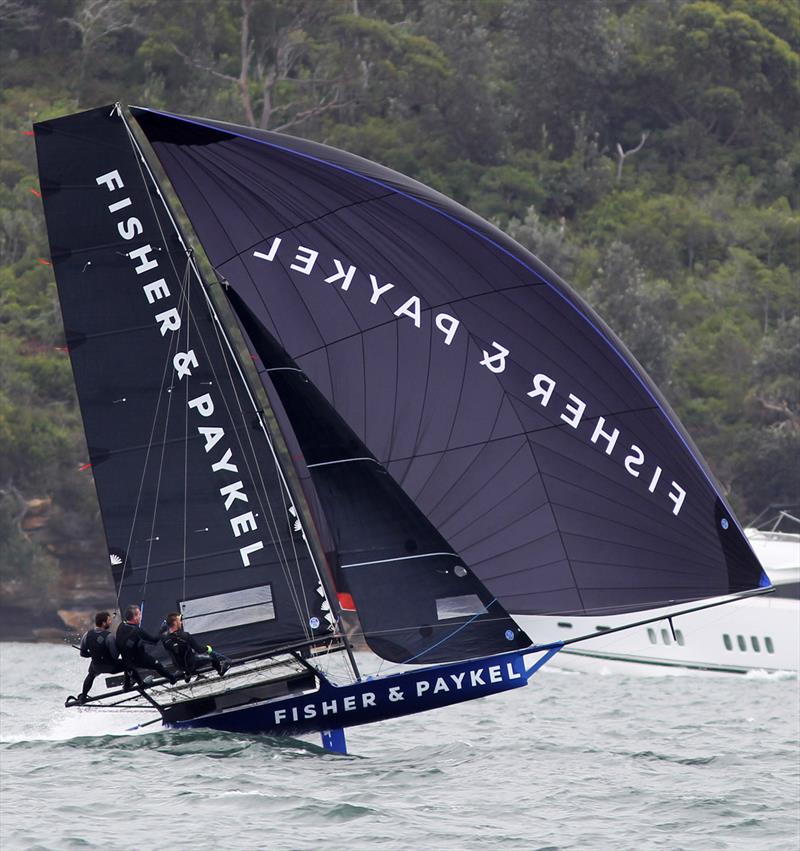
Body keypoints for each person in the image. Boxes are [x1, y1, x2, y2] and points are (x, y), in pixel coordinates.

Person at [116, 604, 178, 686]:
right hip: (139, 659)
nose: (141, 616)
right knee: (158, 665)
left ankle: (129, 682)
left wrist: (138, 641)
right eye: (139, 614)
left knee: (129, 662)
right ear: (135, 617)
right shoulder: (137, 631)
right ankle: (172, 679)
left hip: (127, 660)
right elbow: (154, 641)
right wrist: (163, 629)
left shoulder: (121, 625)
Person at [73, 611, 127, 704]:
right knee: (129, 664)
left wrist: (93, 654)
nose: (111, 622)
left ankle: (83, 696)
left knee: (91, 675)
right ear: (103, 623)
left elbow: (83, 654)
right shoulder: (109, 637)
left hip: (97, 666)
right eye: (109, 620)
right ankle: (128, 684)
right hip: (111, 667)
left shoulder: (87, 635)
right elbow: (115, 656)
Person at [161, 612, 230, 681]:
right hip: (191, 664)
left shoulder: (164, 639)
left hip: (179, 666)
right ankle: (220, 671)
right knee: (211, 654)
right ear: (175, 622)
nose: (181, 623)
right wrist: (208, 648)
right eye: (179, 621)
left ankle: (187, 674)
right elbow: (199, 650)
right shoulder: (185, 635)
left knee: (187, 656)